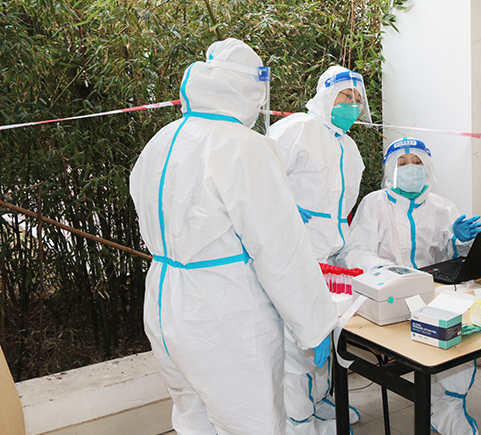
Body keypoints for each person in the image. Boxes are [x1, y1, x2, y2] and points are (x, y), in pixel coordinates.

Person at [129, 38, 338, 434]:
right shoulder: (243, 146)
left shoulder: (163, 139)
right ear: (249, 88)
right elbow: (280, 250)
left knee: (193, 418)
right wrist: (313, 323)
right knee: (250, 423)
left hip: (163, 300)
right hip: (225, 311)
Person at [341, 137, 481, 435]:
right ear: (390, 169)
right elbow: (354, 251)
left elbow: (451, 258)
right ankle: (439, 403)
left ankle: (449, 409)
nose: (411, 168)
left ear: (427, 166)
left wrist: (459, 240)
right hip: (389, 296)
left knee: (460, 330)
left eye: (417, 162)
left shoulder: (442, 206)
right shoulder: (375, 203)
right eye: (403, 163)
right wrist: (389, 271)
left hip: (432, 292)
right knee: (442, 333)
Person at [268, 65, 371, 433]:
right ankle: (299, 423)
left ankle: (320, 400)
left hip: (327, 258)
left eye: (357, 99)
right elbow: (261, 177)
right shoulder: (297, 128)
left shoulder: (349, 147)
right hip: (295, 255)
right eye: (346, 96)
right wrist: (283, 210)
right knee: (298, 345)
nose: (352, 105)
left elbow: (342, 207)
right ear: (327, 94)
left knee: (322, 337)